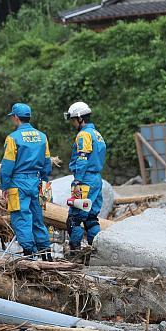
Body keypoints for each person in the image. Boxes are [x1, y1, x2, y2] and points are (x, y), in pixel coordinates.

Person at [0, 102, 53, 259]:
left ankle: (29, 255)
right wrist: (43, 181)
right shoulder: (42, 137)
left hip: (18, 184)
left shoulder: (13, 138)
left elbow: (7, 165)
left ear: (16, 117)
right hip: (36, 182)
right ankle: (46, 255)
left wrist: (5, 185)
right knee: (38, 219)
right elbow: (47, 162)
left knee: (21, 218)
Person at [65, 101, 107, 250]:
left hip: (85, 180)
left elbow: (82, 158)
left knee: (74, 219)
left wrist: (77, 181)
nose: (72, 124)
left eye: (73, 120)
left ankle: (75, 252)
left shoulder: (83, 135)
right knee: (91, 218)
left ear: (80, 118)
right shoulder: (97, 134)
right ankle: (96, 252)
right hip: (96, 179)